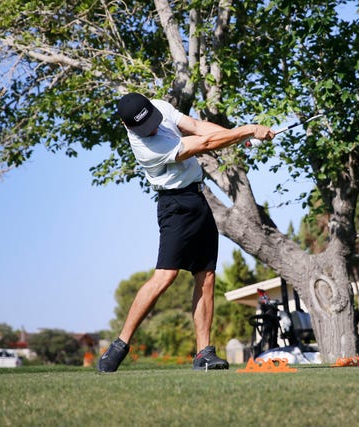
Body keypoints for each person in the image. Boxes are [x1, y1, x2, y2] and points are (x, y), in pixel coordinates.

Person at [98, 93, 275, 372]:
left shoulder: (160, 107)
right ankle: (120, 344)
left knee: (206, 276)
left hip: (197, 199)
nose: (154, 129)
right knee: (165, 277)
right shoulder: (146, 147)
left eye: (153, 122)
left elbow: (197, 126)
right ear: (127, 125)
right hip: (174, 206)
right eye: (146, 128)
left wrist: (236, 136)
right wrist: (248, 130)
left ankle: (203, 353)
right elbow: (202, 144)